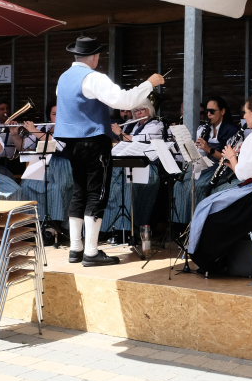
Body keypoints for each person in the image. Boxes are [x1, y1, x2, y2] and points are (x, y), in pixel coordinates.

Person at [54, 35, 164, 267]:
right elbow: (123, 101)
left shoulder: (63, 78)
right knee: (97, 194)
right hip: (93, 141)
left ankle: (76, 248)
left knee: (79, 192)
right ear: (94, 57)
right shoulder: (93, 77)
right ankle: (91, 252)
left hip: (71, 143)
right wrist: (149, 83)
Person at [186, 94, 252, 274]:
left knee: (207, 209)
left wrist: (232, 157)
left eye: (246, 112)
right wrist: (233, 160)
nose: (244, 116)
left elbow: (243, 174)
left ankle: (208, 261)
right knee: (210, 205)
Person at [105, 94, 165, 248]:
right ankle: (115, 228)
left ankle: (129, 229)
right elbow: (122, 143)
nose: (138, 113)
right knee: (112, 185)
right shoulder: (131, 125)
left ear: (150, 110)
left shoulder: (156, 124)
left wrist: (120, 133)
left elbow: (140, 142)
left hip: (147, 167)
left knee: (126, 187)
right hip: (127, 166)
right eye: (136, 111)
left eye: (141, 110)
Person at [172, 96, 240, 228]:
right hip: (205, 165)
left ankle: (197, 225)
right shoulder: (204, 128)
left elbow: (229, 158)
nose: (208, 114)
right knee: (179, 185)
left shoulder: (231, 130)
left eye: (212, 111)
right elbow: (200, 153)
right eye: (207, 111)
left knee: (198, 186)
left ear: (222, 111)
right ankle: (180, 225)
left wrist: (208, 149)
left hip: (222, 168)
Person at [17, 105, 73, 238]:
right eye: (54, 114)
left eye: (60, 113)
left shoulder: (69, 129)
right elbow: (23, 147)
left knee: (56, 188)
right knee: (26, 186)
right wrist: (14, 134)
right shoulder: (43, 128)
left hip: (61, 164)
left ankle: (54, 225)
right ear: (49, 116)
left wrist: (34, 130)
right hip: (39, 161)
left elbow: (58, 145)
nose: (57, 117)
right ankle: (34, 223)